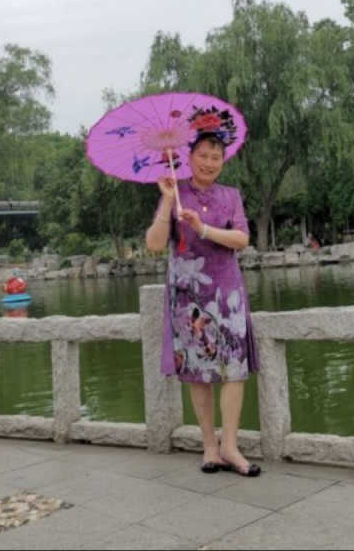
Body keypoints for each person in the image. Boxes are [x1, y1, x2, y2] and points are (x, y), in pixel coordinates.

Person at [145, 132, 261, 477]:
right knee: (199, 372)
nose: (209, 163)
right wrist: (167, 201)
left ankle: (230, 445)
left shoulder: (231, 196)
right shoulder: (175, 193)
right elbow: (154, 244)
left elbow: (241, 239)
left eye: (216, 156)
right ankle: (209, 444)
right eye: (203, 155)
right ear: (189, 157)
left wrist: (203, 228)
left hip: (228, 294)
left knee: (233, 369)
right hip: (189, 297)